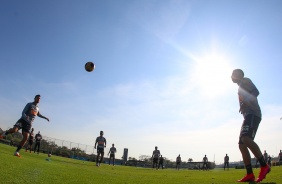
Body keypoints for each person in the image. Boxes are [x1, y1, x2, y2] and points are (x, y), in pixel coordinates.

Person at [231, 69, 270, 182]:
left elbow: (256, 92)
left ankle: (264, 165)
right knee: (241, 144)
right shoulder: (239, 87)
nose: (231, 76)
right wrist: (243, 105)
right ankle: (249, 174)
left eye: (234, 74)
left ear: (239, 75)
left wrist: (246, 101)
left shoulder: (245, 81)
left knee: (245, 138)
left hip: (253, 114)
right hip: (248, 115)